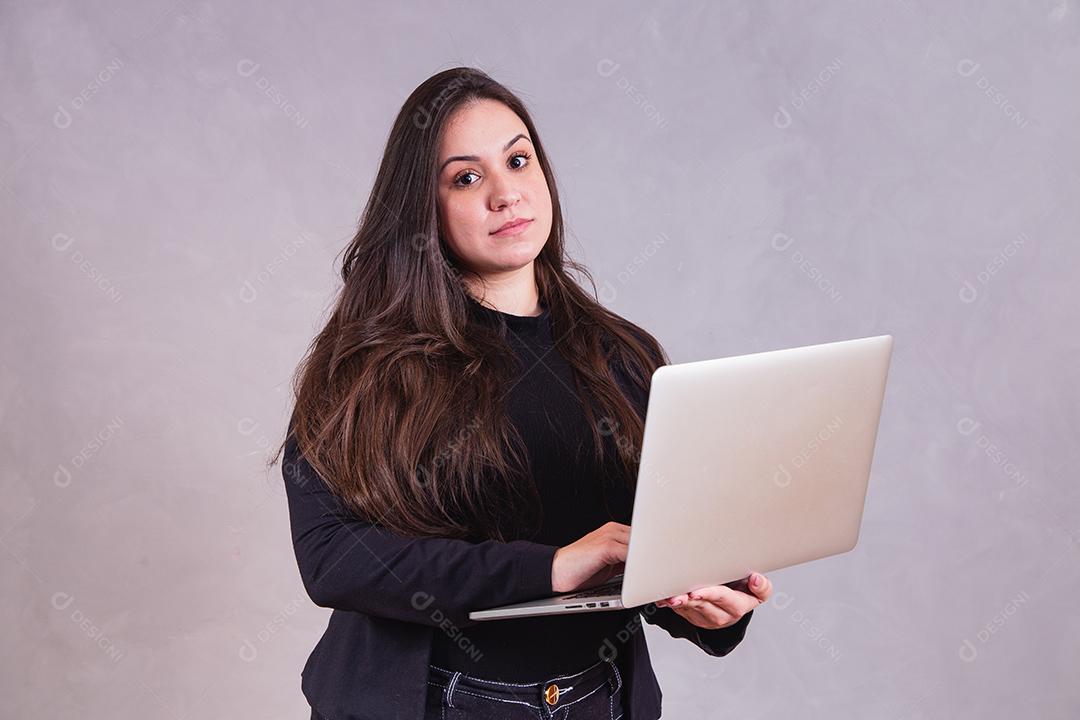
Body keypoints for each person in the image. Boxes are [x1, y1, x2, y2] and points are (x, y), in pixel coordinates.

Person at [275, 66, 772, 720]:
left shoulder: (623, 355)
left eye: (518, 160)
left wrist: (708, 608)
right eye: (467, 176)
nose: (507, 193)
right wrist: (552, 569)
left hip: (599, 699)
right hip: (431, 702)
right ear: (422, 209)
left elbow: (644, 547)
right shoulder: (367, 365)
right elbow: (334, 560)